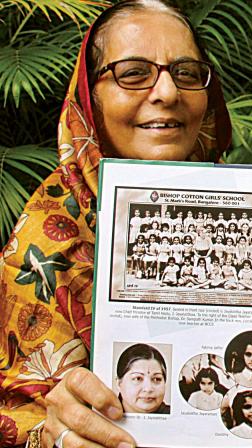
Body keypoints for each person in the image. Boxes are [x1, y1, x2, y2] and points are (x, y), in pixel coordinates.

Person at [0, 0, 232, 445]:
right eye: (133, 73)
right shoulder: (47, 247)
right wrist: (54, 433)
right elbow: (15, 410)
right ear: (91, 96)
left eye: (186, 72)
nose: (167, 92)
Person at [115, 343, 169, 414]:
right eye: (138, 378)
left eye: (156, 379)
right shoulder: (104, 415)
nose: (148, 389)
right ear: (119, 384)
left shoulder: (176, 418)